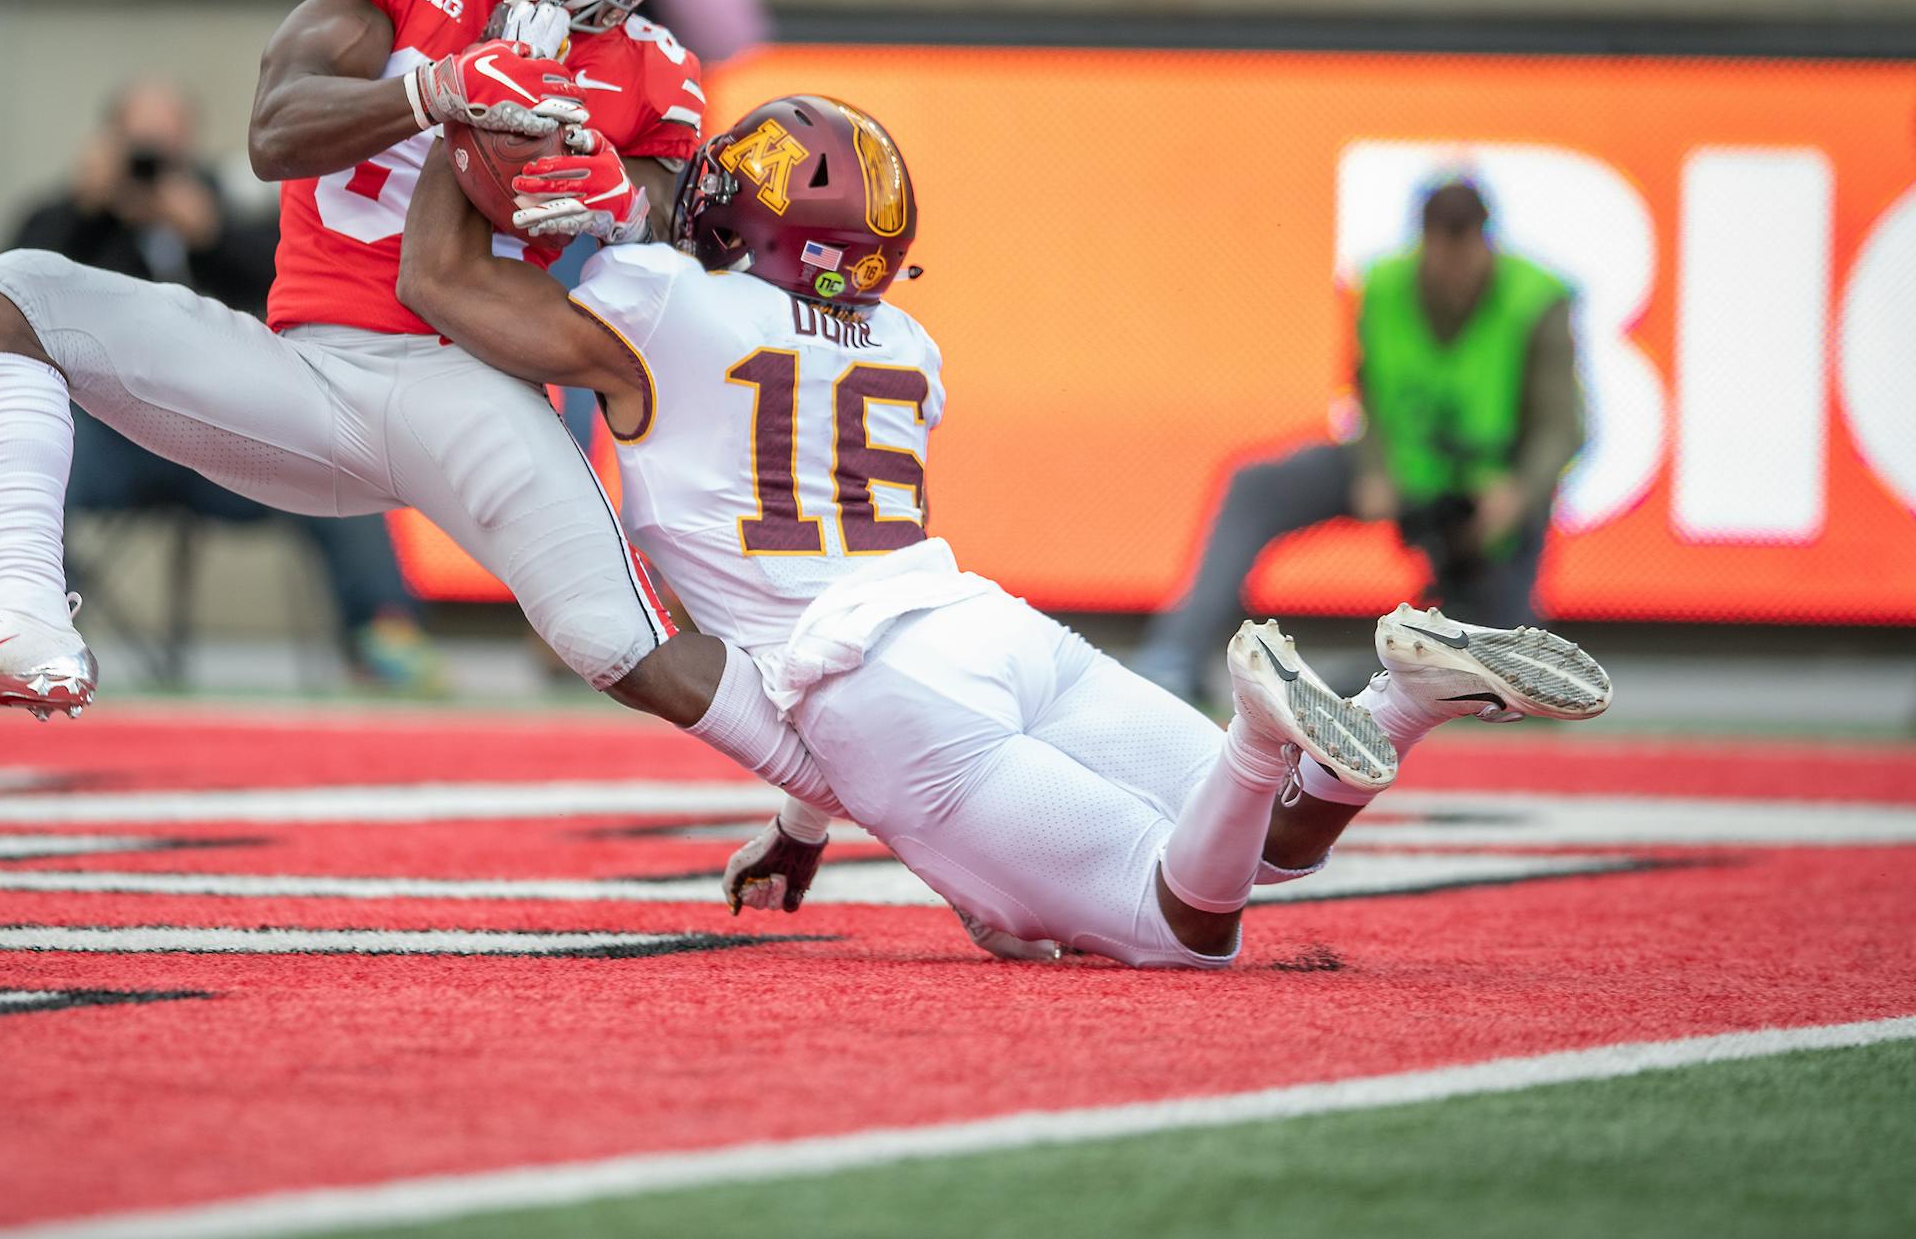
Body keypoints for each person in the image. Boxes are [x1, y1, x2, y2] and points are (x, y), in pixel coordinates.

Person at [393, 94, 1613, 968]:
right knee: (1272, 841)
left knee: (1187, 925)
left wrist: (459, 108)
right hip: (983, 623)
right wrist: (805, 822)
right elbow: (829, 574)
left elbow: (438, 281)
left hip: (879, 687)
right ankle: (1406, 692)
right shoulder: (904, 345)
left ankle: (1259, 720)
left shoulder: (658, 304)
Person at [0, 0, 823, 819]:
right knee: (5, 294)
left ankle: (841, 793)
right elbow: (275, 130)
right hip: (302, 376)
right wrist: (432, 90)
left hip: (470, 392)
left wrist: (622, 200)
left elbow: (678, 229)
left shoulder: (650, 70)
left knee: (628, 649)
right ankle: (30, 618)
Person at [6, 78, 441, 690]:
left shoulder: (220, 207)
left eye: (166, 150)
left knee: (340, 462)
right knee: (26, 457)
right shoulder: (74, 219)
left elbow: (287, 280)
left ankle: (385, 636)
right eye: (139, 149)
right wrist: (84, 206)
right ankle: (34, 630)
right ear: (109, 142)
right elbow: (11, 294)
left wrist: (208, 233)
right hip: (112, 441)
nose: (151, 168)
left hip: (219, 442)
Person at [1133, 178, 1582, 708]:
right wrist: (1374, 468)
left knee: (1495, 675)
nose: (1455, 272)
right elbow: (1368, 388)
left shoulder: (1533, 299)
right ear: (1425, 243)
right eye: (1443, 254)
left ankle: (1380, 682)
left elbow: (1563, 425)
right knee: (1256, 487)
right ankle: (1176, 655)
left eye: (1465, 254)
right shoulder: (1385, 287)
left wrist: (1519, 492)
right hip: (1403, 469)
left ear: (1486, 244)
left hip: (1486, 498)